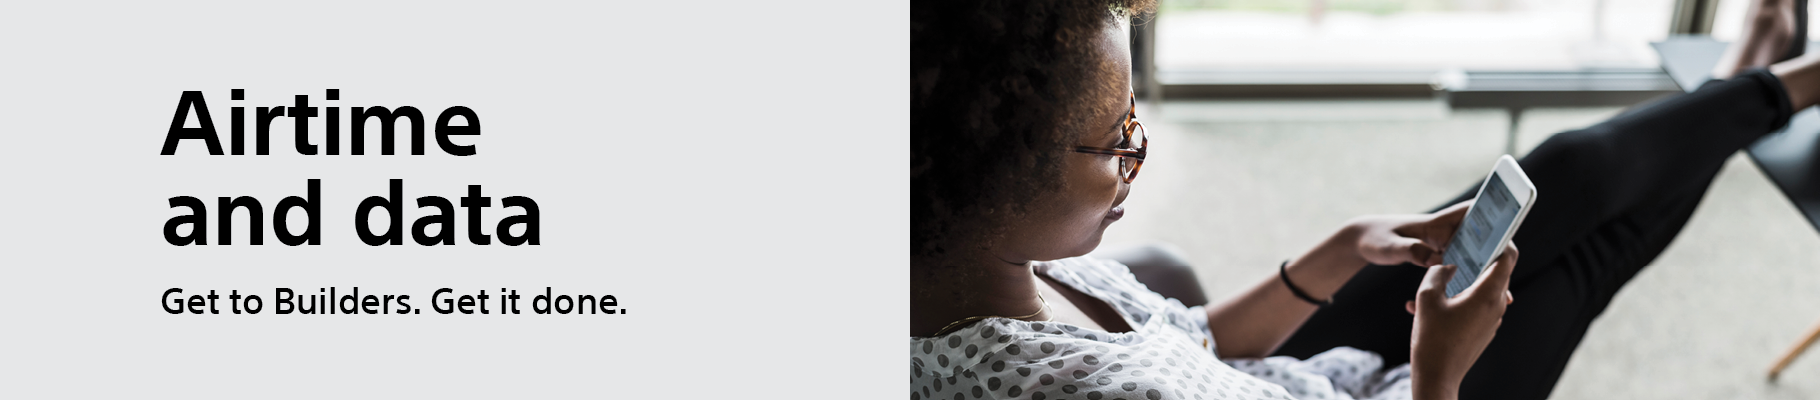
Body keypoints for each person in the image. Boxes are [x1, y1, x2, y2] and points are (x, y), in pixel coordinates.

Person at [909, 0, 1820, 399]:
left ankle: (1750, 83)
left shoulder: (1014, 271)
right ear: (987, 172)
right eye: (1117, 140)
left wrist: (1342, 247)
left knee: (1568, 173)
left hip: (1299, 375)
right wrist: (1438, 372)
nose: (1138, 155)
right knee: (1585, 258)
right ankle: (1770, 81)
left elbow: (1196, 340)